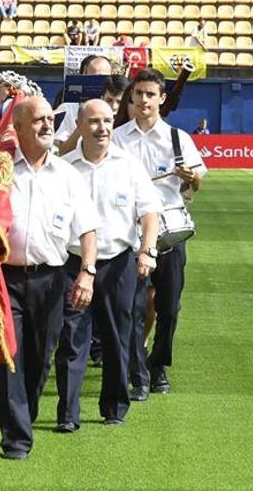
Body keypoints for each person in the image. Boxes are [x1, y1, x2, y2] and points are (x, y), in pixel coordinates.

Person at [0, 96, 99, 459]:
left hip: (52, 279)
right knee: (9, 357)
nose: (47, 126)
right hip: (5, 279)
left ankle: (25, 413)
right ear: (17, 128)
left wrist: (86, 272)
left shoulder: (68, 174)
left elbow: (87, 229)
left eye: (50, 120)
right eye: (37, 120)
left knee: (40, 358)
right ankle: (16, 438)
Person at [56, 99, 161, 432]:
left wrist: (148, 251)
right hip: (73, 264)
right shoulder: (65, 167)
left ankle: (114, 405)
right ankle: (68, 413)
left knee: (118, 337)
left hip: (118, 263)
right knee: (72, 339)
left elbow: (149, 213)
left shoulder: (128, 165)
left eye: (107, 121)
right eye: (94, 122)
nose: (102, 128)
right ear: (80, 126)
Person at [113, 68, 206, 400]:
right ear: (132, 97)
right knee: (131, 307)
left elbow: (196, 183)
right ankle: (137, 373)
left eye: (150, 95)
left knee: (169, 308)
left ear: (162, 99)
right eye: (138, 94)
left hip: (169, 235)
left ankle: (158, 366)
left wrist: (190, 176)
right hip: (128, 234)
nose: (143, 101)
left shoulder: (178, 138)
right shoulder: (116, 137)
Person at [54, 55, 113, 151]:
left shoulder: (118, 107)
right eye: (93, 78)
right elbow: (62, 151)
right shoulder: (68, 109)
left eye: (103, 78)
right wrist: (81, 126)